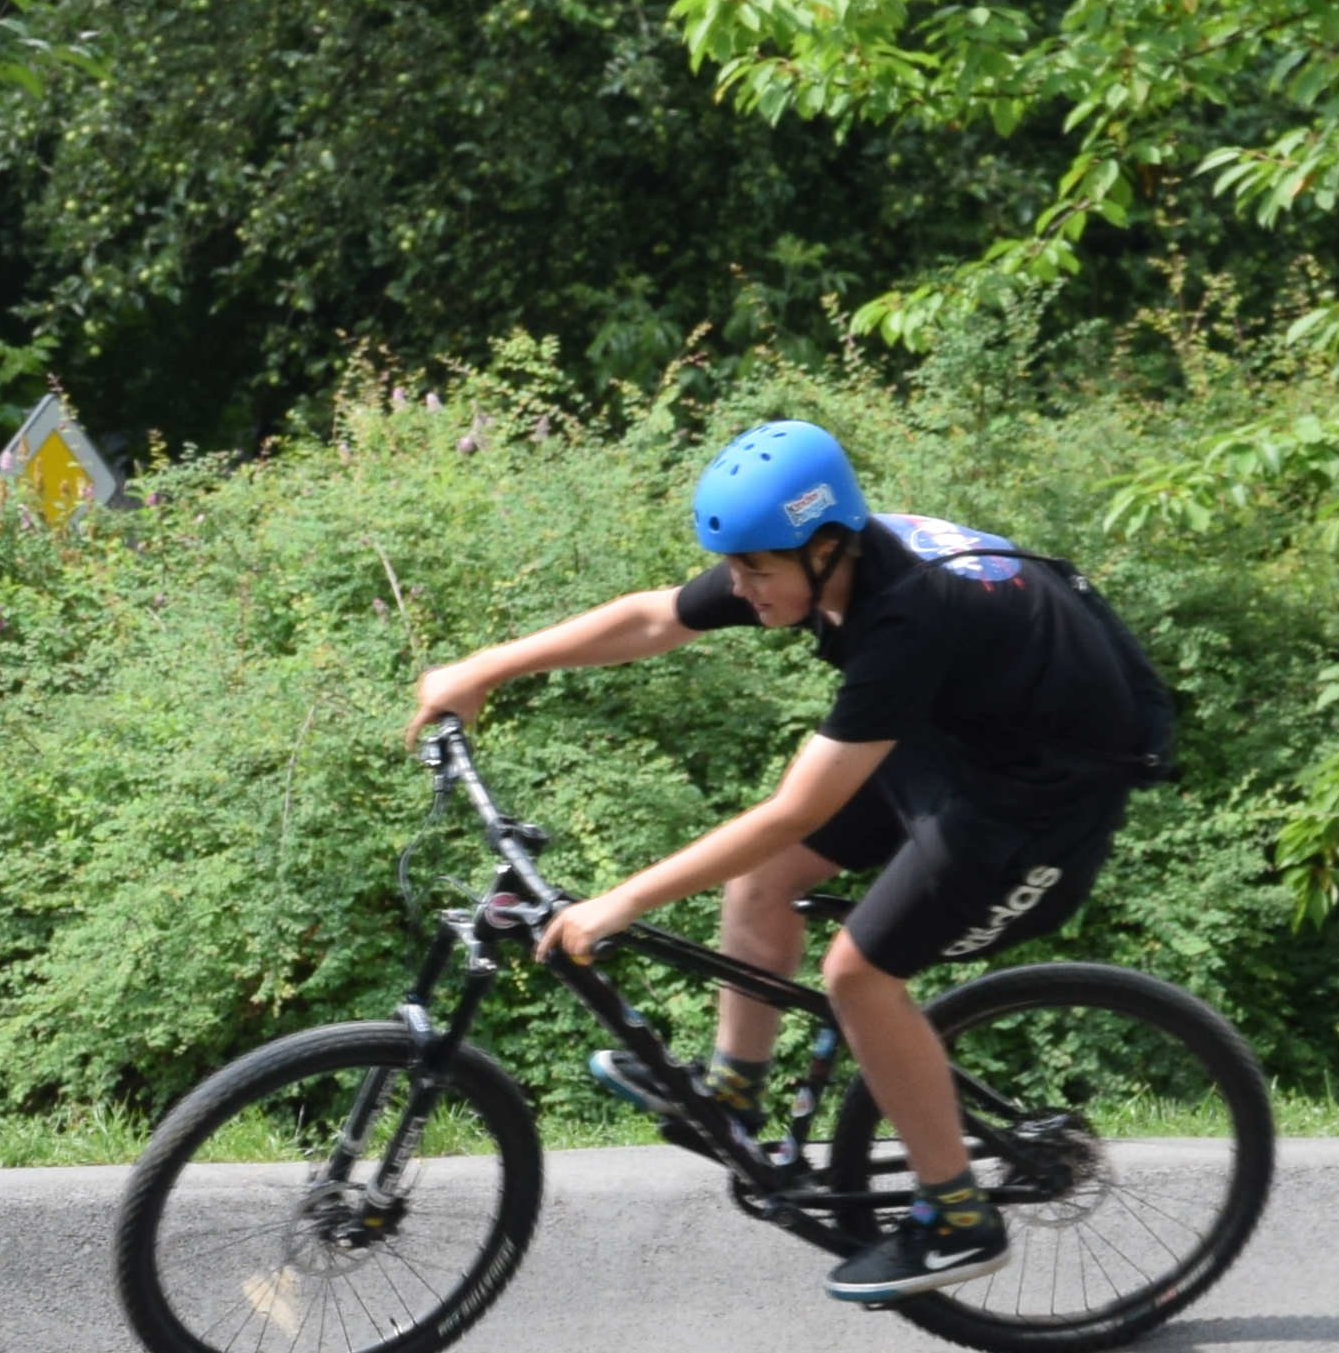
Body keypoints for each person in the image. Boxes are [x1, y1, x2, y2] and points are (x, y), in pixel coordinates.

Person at [409, 418, 1167, 1303]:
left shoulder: (907, 616)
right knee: (761, 884)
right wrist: (484, 668)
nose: (740, 588)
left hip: (1045, 793)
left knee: (859, 975)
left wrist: (621, 902)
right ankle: (733, 1093)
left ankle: (958, 1216)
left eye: (756, 572)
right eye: (736, 569)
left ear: (827, 547)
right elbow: (657, 616)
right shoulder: (808, 558)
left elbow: (794, 811)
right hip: (964, 739)